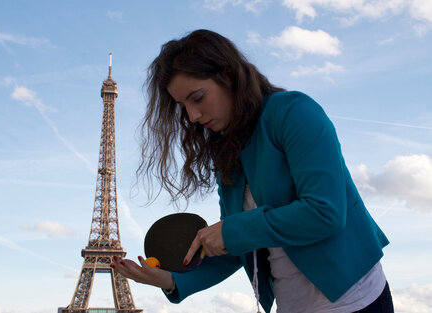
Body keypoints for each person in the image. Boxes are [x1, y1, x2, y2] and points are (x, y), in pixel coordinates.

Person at [110, 29, 394, 313]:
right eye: (182, 106)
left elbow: (325, 212)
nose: (192, 117)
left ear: (228, 76)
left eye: (197, 98)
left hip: (356, 302)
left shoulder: (294, 112)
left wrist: (231, 231)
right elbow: (239, 243)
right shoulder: (228, 148)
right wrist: (171, 279)